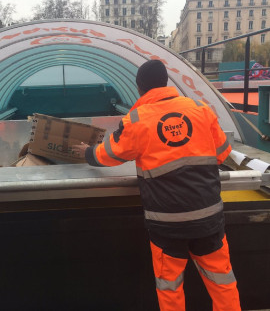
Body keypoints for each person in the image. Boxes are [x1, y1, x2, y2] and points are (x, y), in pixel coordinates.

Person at [72, 60, 241, 311]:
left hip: (167, 224)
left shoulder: (137, 119)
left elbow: (110, 155)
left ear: (139, 88)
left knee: (170, 287)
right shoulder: (201, 109)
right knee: (222, 282)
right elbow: (222, 153)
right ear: (166, 82)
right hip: (208, 218)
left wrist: (88, 152)